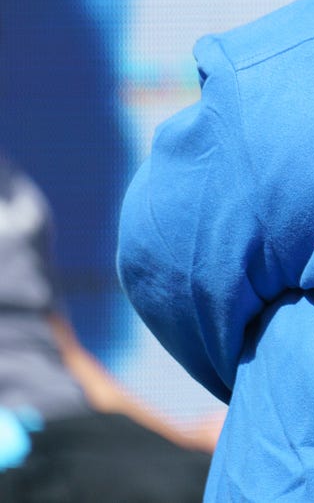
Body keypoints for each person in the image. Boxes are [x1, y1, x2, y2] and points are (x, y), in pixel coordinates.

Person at [0, 150, 215, 502]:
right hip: (22, 454)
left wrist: (184, 443)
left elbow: (69, 355)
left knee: (207, 481)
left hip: (70, 427)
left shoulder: (19, 192)